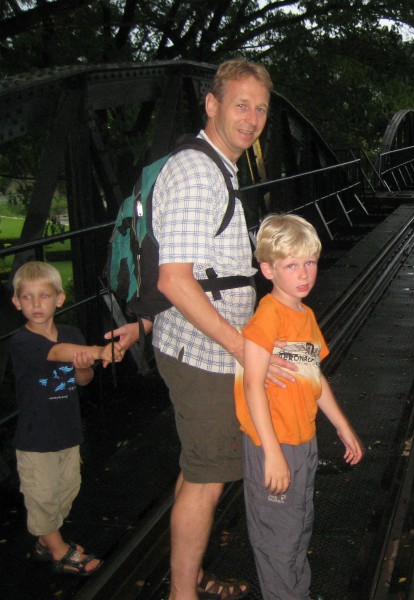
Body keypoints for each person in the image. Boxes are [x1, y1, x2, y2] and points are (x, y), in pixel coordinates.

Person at [105, 58, 290, 600]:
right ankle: (182, 594)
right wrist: (241, 346)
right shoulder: (194, 172)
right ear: (211, 104)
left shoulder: (218, 165)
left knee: (197, 473)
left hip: (208, 348)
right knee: (206, 481)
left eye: (260, 108)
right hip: (206, 354)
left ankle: (189, 577)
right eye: (240, 105)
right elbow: (176, 279)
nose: (252, 118)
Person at [235, 214, 364, 600]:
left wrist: (341, 426)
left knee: (298, 527)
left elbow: (314, 377)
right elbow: (253, 386)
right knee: (277, 537)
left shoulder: (303, 315)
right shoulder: (266, 318)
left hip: (302, 440)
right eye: (291, 265)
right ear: (268, 269)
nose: (304, 274)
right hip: (273, 444)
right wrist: (272, 452)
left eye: (310, 262)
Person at [9, 261, 123, 576]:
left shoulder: (71, 334)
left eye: (43, 296)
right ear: (17, 303)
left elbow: (83, 379)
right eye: (27, 297)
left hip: (67, 432)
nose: (35, 304)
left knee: (67, 489)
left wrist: (85, 363)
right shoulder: (23, 341)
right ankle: (60, 551)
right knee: (42, 496)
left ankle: (47, 538)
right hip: (36, 438)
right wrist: (99, 351)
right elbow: (57, 353)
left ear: (59, 299)